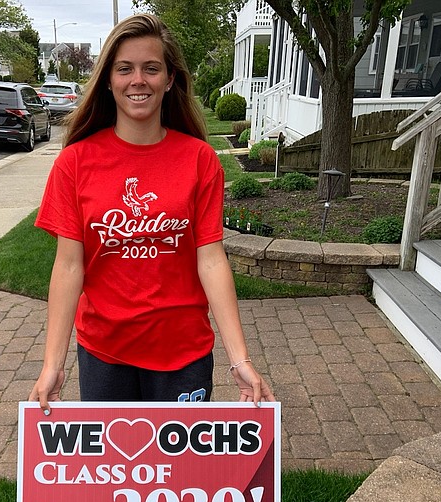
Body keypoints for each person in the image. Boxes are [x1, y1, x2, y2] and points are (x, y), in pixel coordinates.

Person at [29, 13, 275, 413]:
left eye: (151, 68)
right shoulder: (74, 163)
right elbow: (69, 267)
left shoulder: (198, 160)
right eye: (125, 69)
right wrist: (52, 365)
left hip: (184, 354)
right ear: (108, 79)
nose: (137, 80)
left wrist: (240, 359)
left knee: (184, 474)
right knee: (113, 474)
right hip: (104, 353)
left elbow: (211, 259)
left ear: (170, 78)